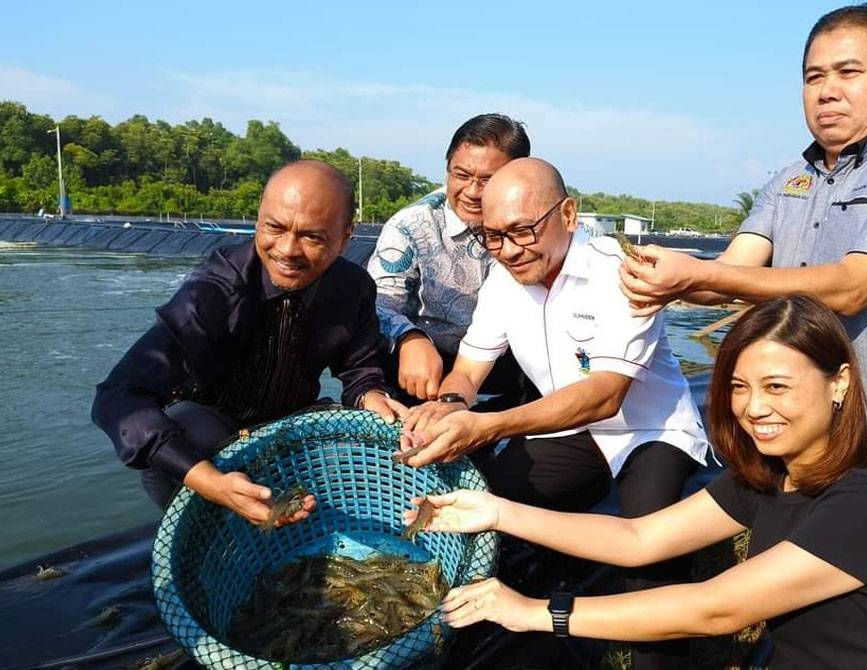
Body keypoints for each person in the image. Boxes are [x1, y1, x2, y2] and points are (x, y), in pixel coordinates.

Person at [409, 295, 867, 670]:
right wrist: (496, 510)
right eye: (738, 386)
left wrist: (534, 613)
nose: (754, 408)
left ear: (840, 383)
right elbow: (639, 539)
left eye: (777, 385)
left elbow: (715, 609)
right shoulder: (769, 477)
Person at [619, 1, 867, 493]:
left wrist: (699, 275)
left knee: (860, 564)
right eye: (814, 77)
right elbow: (732, 271)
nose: (827, 91)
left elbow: (852, 288)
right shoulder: (792, 178)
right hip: (791, 425)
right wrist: (656, 277)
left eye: (848, 72)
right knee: (776, 557)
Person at [399, 157, 709, 670]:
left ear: (567, 214)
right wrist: (449, 406)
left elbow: (604, 396)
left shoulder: (619, 272)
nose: (509, 251)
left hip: (648, 429)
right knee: (488, 492)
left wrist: (488, 425)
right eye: (492, 237)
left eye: (522, 231)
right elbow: (469, 371)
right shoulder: (503, 280)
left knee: (651, 559)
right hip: (569, 428)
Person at [92, 160, 405, 525]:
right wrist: (210, 482)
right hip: (204, 438)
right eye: (275, 227)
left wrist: (373, 397)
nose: (288, 250)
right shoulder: (214, 291)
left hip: (289, 424)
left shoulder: (354, 288)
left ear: (346, 236)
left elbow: (359, 369)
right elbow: (117, 395)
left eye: (313, 237)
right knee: (190, 427)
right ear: (259, 217)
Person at [367, 113, 536, 408]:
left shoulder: (537, 221)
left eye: (487, 180)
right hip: (429, 357)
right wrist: (410, 337)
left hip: (506, 354)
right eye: (461, 175)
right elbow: (380, 304)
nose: (471, 192)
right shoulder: (411, 225)